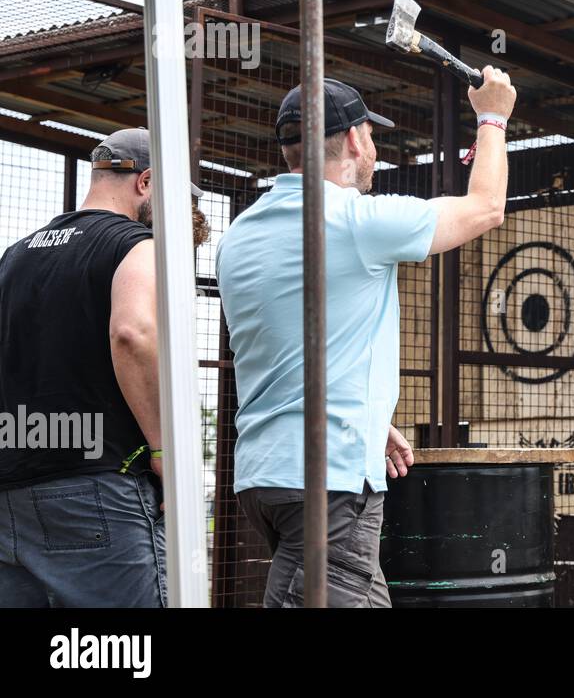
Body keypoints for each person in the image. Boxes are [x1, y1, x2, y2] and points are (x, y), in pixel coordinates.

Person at [217, 72, 514, 607]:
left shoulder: (239, 234)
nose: (375, 149)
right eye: (371, 135)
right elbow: (486, 207)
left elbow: (291, 349)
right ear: (355, 139)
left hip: (264, 478)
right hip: (328, 482)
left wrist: (368, 420)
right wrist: (492, 117)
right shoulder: (354, 219)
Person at [0, 127, 201, 607]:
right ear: (146, 183)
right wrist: (164, 450)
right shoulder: (138, 244)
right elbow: (132, 333)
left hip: (10, 490)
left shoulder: (13, 257)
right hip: (99, 488)